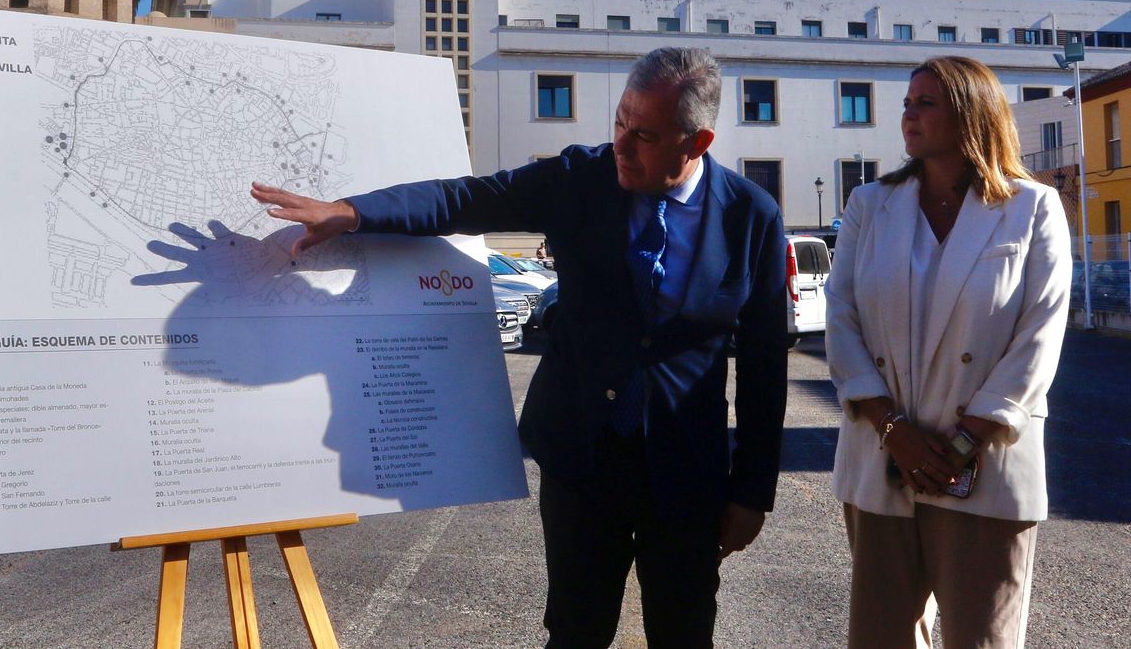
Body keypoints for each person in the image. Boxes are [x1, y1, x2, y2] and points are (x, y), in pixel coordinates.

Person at [253, 46, 788, 647]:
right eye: (618, 121)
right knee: (575, 631)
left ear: (698, 142)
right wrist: (352, 213)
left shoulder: (751, 217)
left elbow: (767, 364)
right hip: (582, 460)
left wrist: (751, 491)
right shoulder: (577, 180)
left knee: (685, 633)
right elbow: (468, 198)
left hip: (685, 473)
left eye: (644, 134)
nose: (621, 144)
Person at [825, 56, 1069, 648]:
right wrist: (894, 430)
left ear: (970, 112)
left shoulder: (1031, 206)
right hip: (884, 460)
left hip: (985, 465)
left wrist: (964, 442)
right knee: (881, 638)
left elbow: (1040, 332)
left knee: (981, 638)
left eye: (926, 102)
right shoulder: (869, 205)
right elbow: (842, 318)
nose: (909, 114)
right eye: (908, 102)